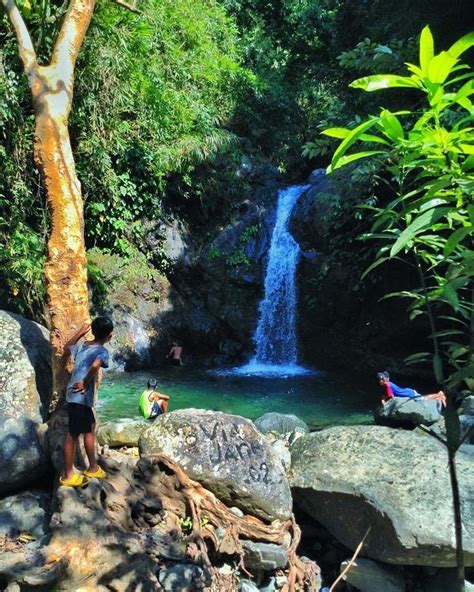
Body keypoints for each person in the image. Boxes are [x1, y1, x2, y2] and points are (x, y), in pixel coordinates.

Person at [60, 316, 114, 488]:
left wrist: (80, 332)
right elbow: (96, 365)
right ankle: (68, 475)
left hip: (76, 397)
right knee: (72, 435)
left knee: (90, 429)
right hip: (79, 397)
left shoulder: (84, 345)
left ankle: (92, 467)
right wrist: (85, 381)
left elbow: (67, 347)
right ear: (110, 336)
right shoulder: (102, 352)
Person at [377, 371, 446, 407]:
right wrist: (383, 399)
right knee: (423, 398)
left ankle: (439, 394)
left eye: (382, 379)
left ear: (386, 379)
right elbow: (388, 395)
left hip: (410, 393)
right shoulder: (387, 385)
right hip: (408, 391)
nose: (380, 381)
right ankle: (438, 395)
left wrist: (384, 401)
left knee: (423, 399)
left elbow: (391, 397)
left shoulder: (387, 385)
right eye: (379, 379)